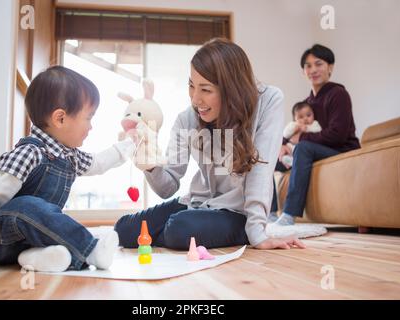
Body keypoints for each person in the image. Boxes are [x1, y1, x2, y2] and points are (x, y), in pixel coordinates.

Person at [114, 38, 305, 251]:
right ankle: (174, 232)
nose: (195, 100)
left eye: (205, 89)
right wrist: (150, 165)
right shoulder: (186, 119)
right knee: (123, 230)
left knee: (179, 228)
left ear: (231, 88)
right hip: (197, 202)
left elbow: (261, 170)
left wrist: (258, 234)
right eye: (191, 86)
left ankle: (236, 232)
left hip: (237, 212)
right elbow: (168, 187)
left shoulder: (268, 100)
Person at [0, 66, 136, 277]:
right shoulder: (29, 153)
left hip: (28, 241)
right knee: (28, 206)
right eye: (88, 118)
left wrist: (129, 145)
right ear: (60, 118)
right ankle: (92, 250)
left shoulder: (71, 156)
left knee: (52, 218)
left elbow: (98, 162)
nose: (91, 127)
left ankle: (39, 257)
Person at [269, 44, 361, 225]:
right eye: (308, 66)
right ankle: (270, 213)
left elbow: (338, 135)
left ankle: (289, 215)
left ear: (330, 67)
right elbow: (292, 130)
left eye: (318, 64)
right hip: (312, 151)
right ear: (303, 71)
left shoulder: (338, 94)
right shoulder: (305, 104)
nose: (313, 70)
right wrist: (281, 145)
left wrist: (300, 140)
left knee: (302, 148)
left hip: (342, 150)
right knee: (267, 157)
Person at [281, 101, 322, 168]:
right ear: (295, 119)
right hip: (292, 147)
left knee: (300, 149)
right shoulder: (293, 124)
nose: (305, 119)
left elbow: (319, 130)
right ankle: (290, 161)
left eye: (308, 115)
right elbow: (285, 134)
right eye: (301, 117)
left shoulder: (314, 124)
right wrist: (295, 129)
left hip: (304, 148)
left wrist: (307, 129)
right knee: (286, 150)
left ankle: (294, 161)